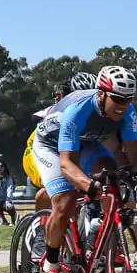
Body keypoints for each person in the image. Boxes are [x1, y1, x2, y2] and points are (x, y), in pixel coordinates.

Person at [32, 66, 137, 273]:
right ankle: (50, 267)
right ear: (102, 93)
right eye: (117, 98)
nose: (123, 104)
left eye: (128, 99)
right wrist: (88, 185)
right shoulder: (77, 111)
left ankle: (100, 237)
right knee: (66, 200)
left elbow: (135, 155)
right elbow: (66, 165)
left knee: (114, 178)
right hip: (51, 146)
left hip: (87, 143)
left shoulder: (127, 112)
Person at [23, 71, 97, 212]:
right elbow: (36, 118)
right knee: (55, 186)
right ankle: (39, 226)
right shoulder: (59, 110)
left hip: (63, 150)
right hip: (35, 151)